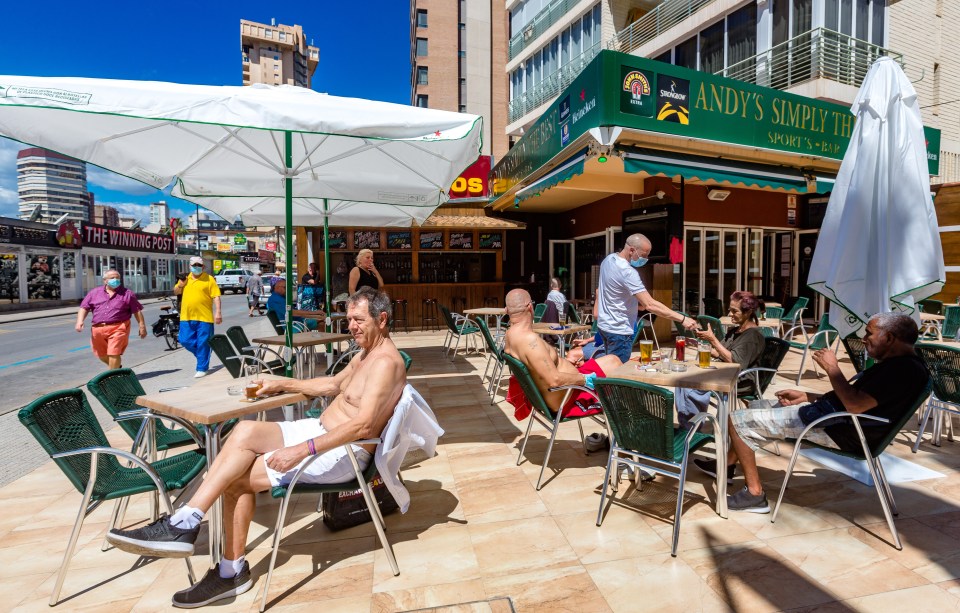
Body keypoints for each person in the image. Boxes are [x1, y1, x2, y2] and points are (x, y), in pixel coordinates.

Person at [106, 288, 406, 608]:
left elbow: (362, 426)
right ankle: (187, 519)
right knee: (245, 430)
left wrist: (301, 450)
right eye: (349, 320)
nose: (351, 326)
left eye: (358, 320)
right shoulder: (365, 354)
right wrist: (282, 383)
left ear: (382, 319)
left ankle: (227, 569)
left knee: (235, 478)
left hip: (343, 452)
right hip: (321, 431)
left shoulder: (385, 363)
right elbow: (332, 385)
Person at [700, 313, 929, 513]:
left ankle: (754, 494)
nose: (863, 338)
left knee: (737, 421)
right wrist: (808, 396)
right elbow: (855, 399)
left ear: (888, 338)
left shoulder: (903, 371)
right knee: (755, 408)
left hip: (837, 429)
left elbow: (855, 406)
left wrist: (832, 368)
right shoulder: (897, 365)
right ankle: (727, 466)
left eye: (869, 333)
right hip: (830, 417)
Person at [502, 288, 622, 421]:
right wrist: (586, 379)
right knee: (623, 381)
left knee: (613, 360)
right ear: (530, 306)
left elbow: (542, 369)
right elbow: (554, 380)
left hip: (565, 388)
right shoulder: (530, 342)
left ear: (506, 310)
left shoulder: (511, 334)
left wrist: (566, 365)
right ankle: (622, 433)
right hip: (569, 398)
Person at [596, 233, 698, 362]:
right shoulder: (628, 272)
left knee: (607, 366)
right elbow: (650, 305)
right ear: (631, 250)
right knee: (617, 373)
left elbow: (614, 293)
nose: (646, 259)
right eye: (644, 255)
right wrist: (683, 319)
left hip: (605, 326)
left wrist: (635, 305)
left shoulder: (608, 260)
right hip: (619, 331)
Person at [675, 291, 766, 428]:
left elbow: (736, 362)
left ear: (747, 313)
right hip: (724, 374)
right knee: (682, 379)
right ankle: (687, 425)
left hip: (740, 380)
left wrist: (713, 339)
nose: (730, 314)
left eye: (734, 311)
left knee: (691, 386)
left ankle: (691, 430)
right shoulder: (735, 331)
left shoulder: (751, 336)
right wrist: (698, 344)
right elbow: (720, 353)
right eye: (729, 310)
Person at [75, 269, 146, 369]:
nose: (115, 280)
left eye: (117, 278)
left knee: (114, 353)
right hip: (98, 329)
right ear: (105, 280)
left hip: (118, 327)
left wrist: (142, 326)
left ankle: (112, 378)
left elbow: (137, 310)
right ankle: (117, 368)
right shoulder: (94, 293)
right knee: (101, 354)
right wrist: (79, 321)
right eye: (112, 278)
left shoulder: (127, 294)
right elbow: (84, 308)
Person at [174, 256, 222, 378]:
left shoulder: (209, 279)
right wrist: (180, 285)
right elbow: (176, 292)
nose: (197, 267)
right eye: (194, 265)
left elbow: (216, 296)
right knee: (184, 340)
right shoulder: (184, 279)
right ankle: (202, 355)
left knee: (203, 343)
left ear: (203, 267)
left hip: (205, 317)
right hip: (186, 316)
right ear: (190, 266)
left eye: (199, 265)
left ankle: (202, 367)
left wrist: (218, 312)